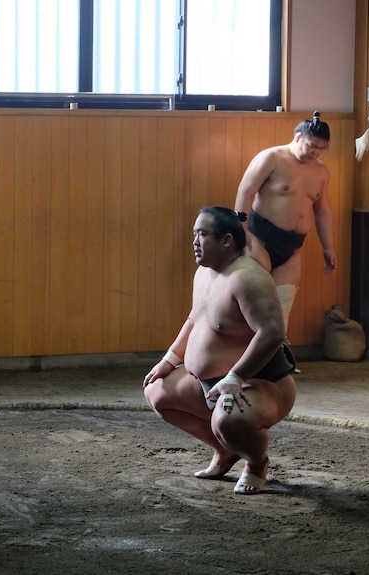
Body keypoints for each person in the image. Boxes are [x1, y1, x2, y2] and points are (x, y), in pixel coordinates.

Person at [143, 206, 297, 495]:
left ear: (227, 240)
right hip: (210, 383)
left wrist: (236, 377)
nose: (194, 242)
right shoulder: (204, 274)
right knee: (157, 391)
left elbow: (272, 333)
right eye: (194, 234)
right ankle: (225, 451)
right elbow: (195, 318)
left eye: (202, 235)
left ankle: (256, 462)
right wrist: (170, 359)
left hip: (258, 383)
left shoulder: (249, 278)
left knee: (229, 419)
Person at [234, 111, 336, 333]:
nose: (315, 152)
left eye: (321, 148)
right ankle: (245, 357)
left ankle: (277, 357)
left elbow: (322, 210)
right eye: (311, 146)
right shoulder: (271, 158)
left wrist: (328, 247)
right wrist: (240, 230)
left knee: (282, 305)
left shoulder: (321, 172)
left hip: (293, 247)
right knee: (257, 301)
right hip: (259, 239)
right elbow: (246, 192)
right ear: (298, 136)